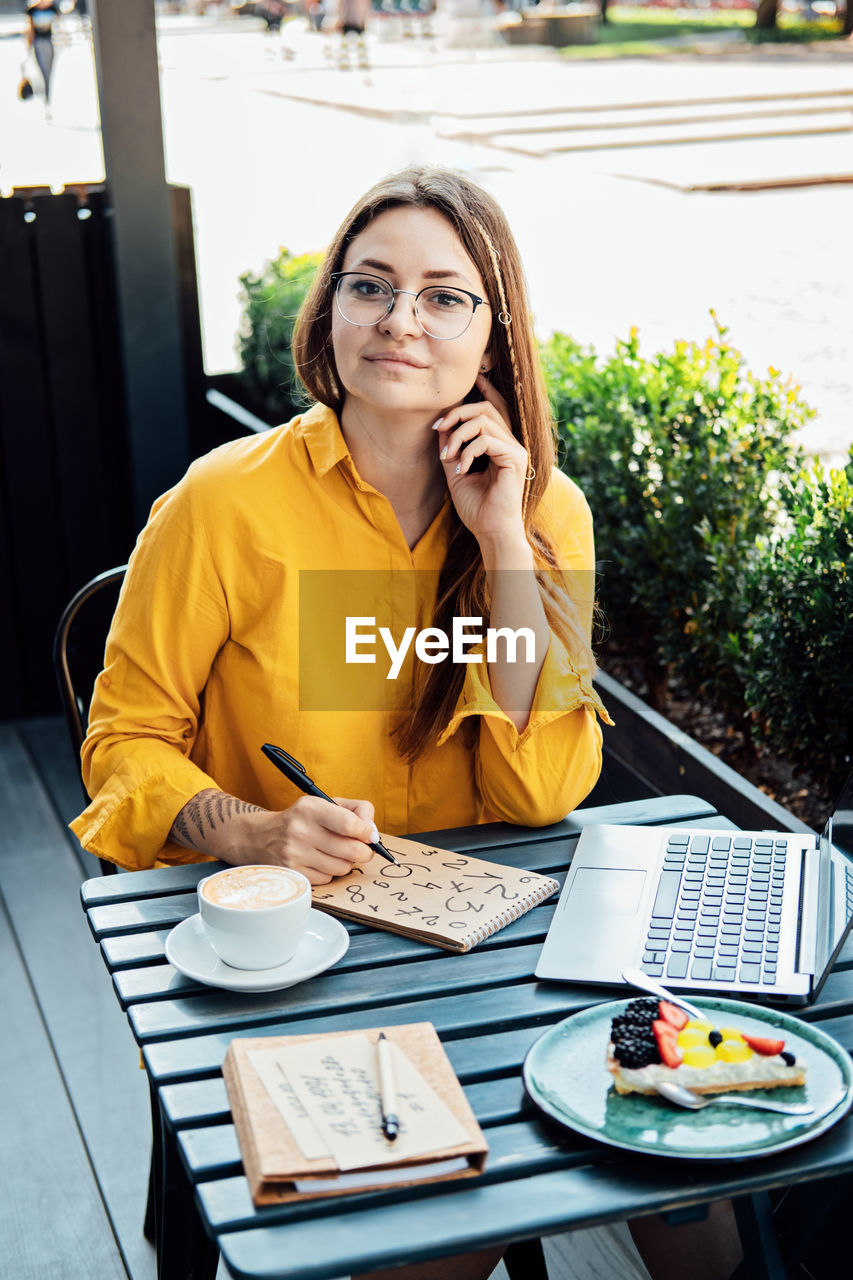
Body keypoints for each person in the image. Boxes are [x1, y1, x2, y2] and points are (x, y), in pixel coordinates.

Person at [72, 165, 609, 888]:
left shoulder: (545, 512)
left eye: (444, 297)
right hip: (277, 923)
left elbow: (540, 792)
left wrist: (502, 543)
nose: (398, 320)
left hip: (477, 924)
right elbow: (123, 740)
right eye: (368, 287)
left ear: (491, 344)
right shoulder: (221, 501)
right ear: (331, 310)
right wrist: (253, 832)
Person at [25, 0, 59, 111]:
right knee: (42, 69)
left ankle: (47, 94)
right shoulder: (32, 11)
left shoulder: (52, 8)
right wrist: (29, 47)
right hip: (39, 43)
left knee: (49, 69)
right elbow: (30, 30)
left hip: (49, 42)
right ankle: (45, 95)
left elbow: (59, 24)